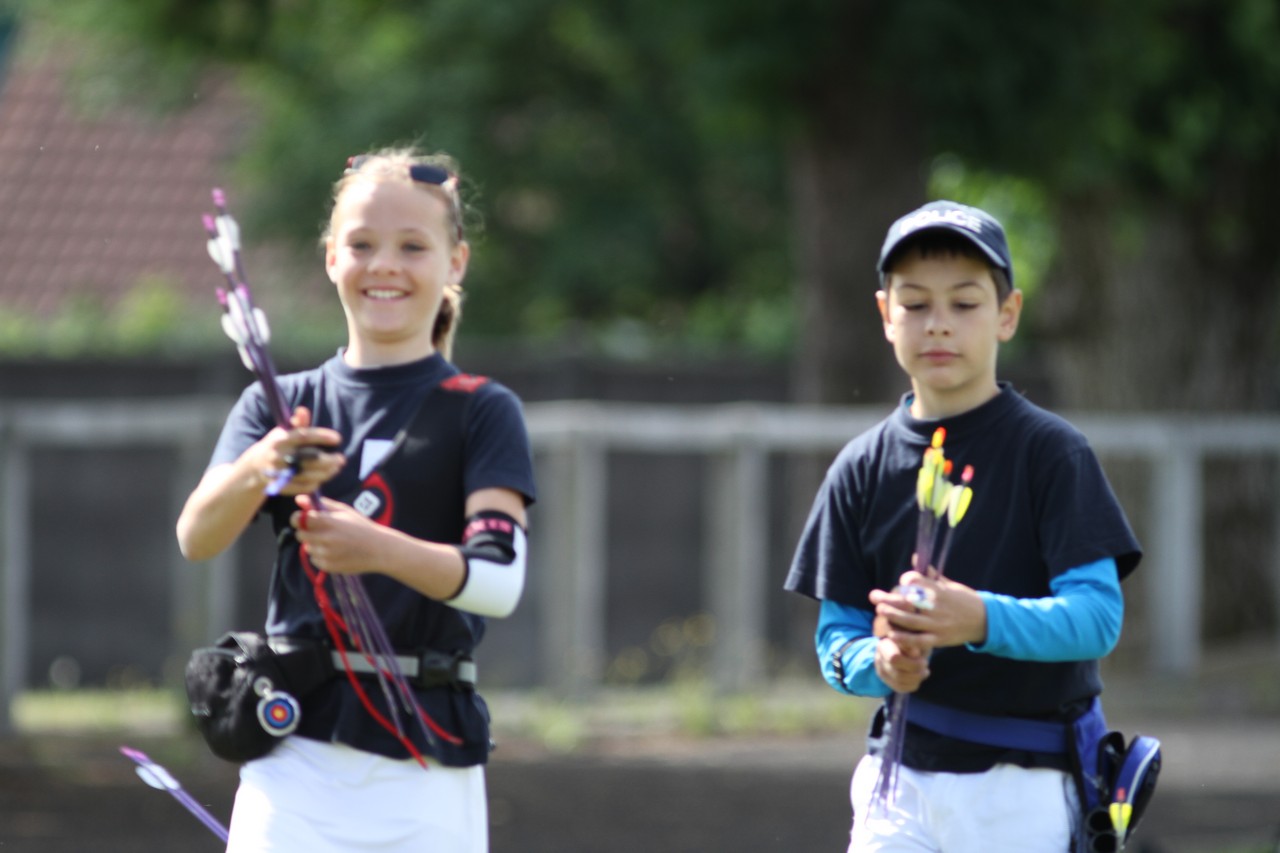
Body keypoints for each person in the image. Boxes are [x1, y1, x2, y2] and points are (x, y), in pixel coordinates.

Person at [176, 147, 537, 852]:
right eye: (362, 244)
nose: (385, 266)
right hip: (292, 760)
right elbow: (196, 536)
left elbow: (498, 580)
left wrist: (378, 551)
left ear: (455, 262)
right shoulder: (280, 406)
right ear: (331, 258)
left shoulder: (482, 410)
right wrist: (262, 466)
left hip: (429, 767)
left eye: (413, 246)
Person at [784, 200, 1142, 852]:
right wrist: (881, 662)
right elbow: (836, 641)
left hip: (1025, 786)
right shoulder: (858, 468)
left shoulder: (1052, 453)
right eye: (915, 304)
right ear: (885, 314)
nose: (938, 324)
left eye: (965, 303)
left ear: (1007, 315)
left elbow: (1097, 617)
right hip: (898, 786)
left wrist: (978, 617)